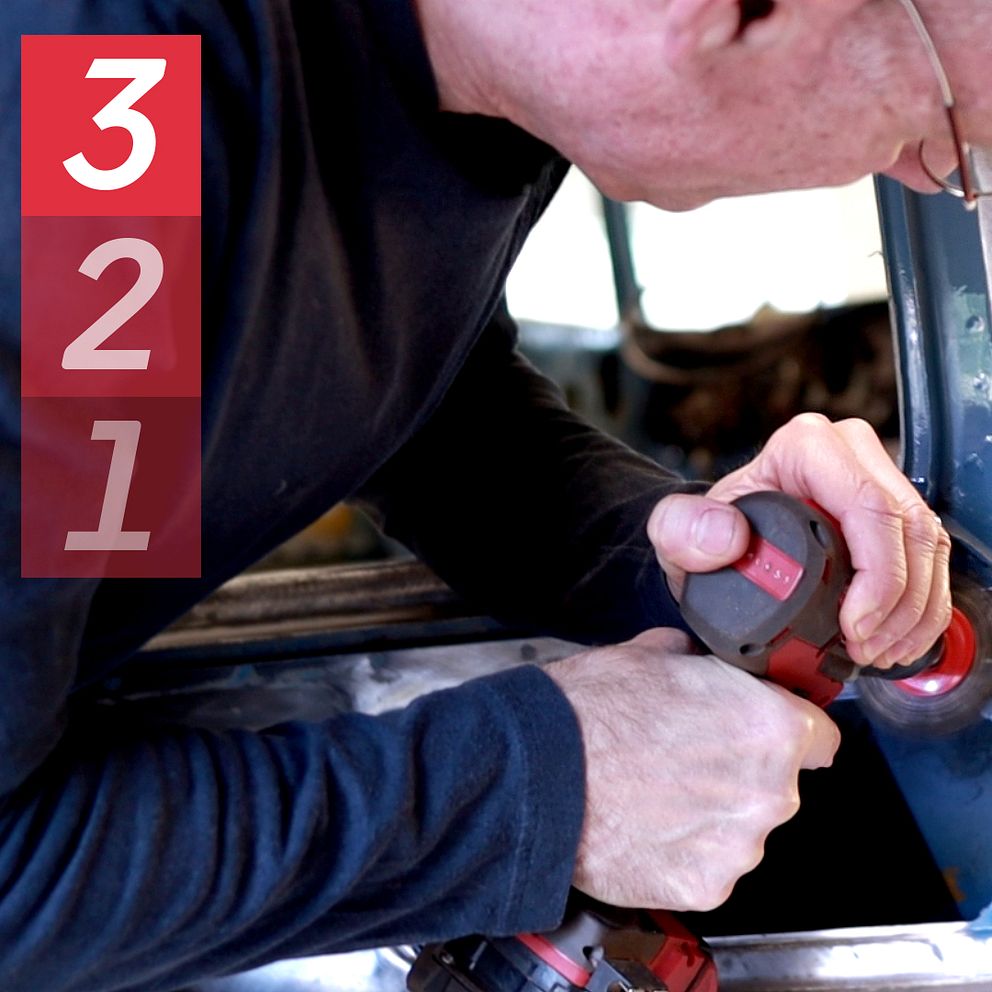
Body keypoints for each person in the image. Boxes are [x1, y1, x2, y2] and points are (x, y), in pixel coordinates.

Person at [0, 0, 977, 987]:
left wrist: (698, 559)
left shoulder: (486, 98)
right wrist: (543, 789)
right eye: (934, 123)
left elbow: (413, 406)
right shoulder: (101, 91)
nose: (918, 169)